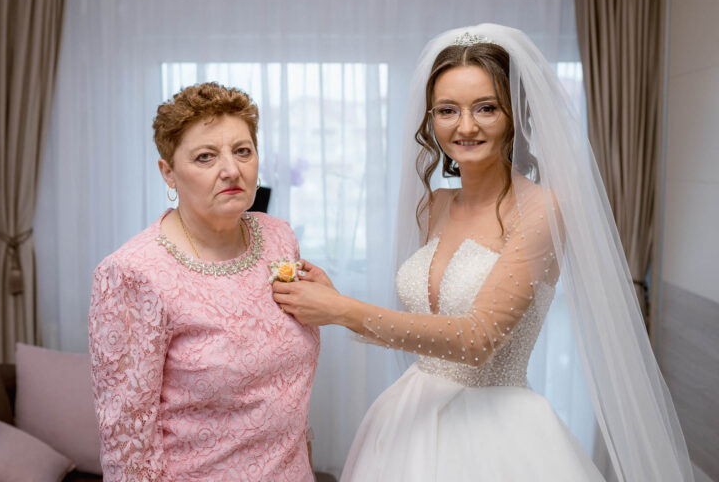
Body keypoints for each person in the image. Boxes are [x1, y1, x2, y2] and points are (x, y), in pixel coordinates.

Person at [273, 24, 694, 481]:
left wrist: (341, 310)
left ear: (514, 116)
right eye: (447, 110)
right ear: (430, 120)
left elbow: (477, 340)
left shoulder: (541, 209)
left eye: (486, 108)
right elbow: (431, 318)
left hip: (497, 434)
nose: (466, 126)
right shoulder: (434, 205)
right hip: (409, 418)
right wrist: (333, 297)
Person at [89, 82, 319, 481]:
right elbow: (128, 447)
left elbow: (286, 399)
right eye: (205, 157)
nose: (231, 170)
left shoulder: (279, 237)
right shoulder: (132, 273)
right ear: (168, 172)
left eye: (242, 151)